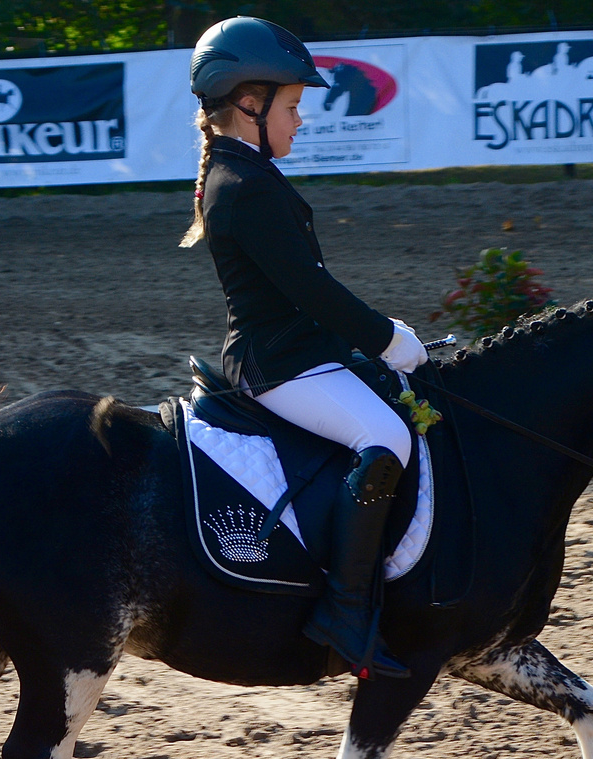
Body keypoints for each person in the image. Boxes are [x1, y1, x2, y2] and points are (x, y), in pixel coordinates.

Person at [181, 16, 428, 680]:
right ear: (249, 104)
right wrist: (387, 339)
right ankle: (345, 613)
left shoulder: (242, 172)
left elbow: (306, 292)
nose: (300, 121)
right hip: (281, 365)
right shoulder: (245, 185)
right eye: (291, 107)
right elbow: (311, 289)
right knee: (388, 438)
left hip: (300, 349)